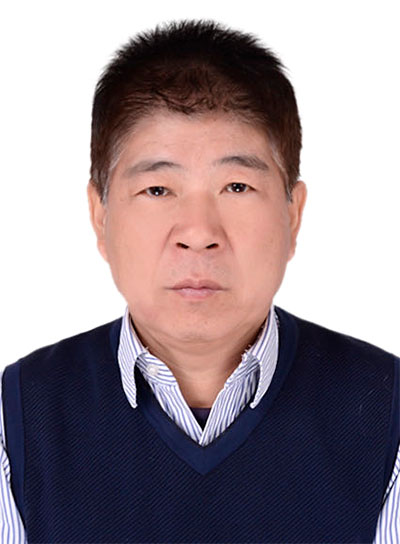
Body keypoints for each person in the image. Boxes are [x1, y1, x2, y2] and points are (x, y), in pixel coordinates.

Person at [1, 19, 398, 544]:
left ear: (292, 214)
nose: (198, 233)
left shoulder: (387, 416)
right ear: (100, 216)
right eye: (158, 189)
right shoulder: (17, 420)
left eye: (236, 186)